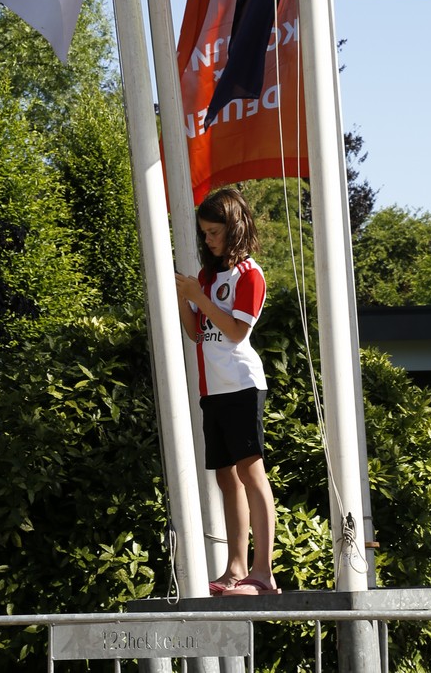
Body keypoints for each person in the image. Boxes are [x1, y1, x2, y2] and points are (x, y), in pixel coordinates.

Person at [175, 186, 280, 596]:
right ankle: (235, 569)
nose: (208, 240)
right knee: (225, 477)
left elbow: (236, 332)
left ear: (234, 228)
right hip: (212, 390)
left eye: (214, 232)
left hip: (241, 384)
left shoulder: (249, 274)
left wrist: (198, 297)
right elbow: (196, 332)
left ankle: (263, 572)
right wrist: (183, 296)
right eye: (204, 233)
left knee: (251, 471)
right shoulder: (206, 277)